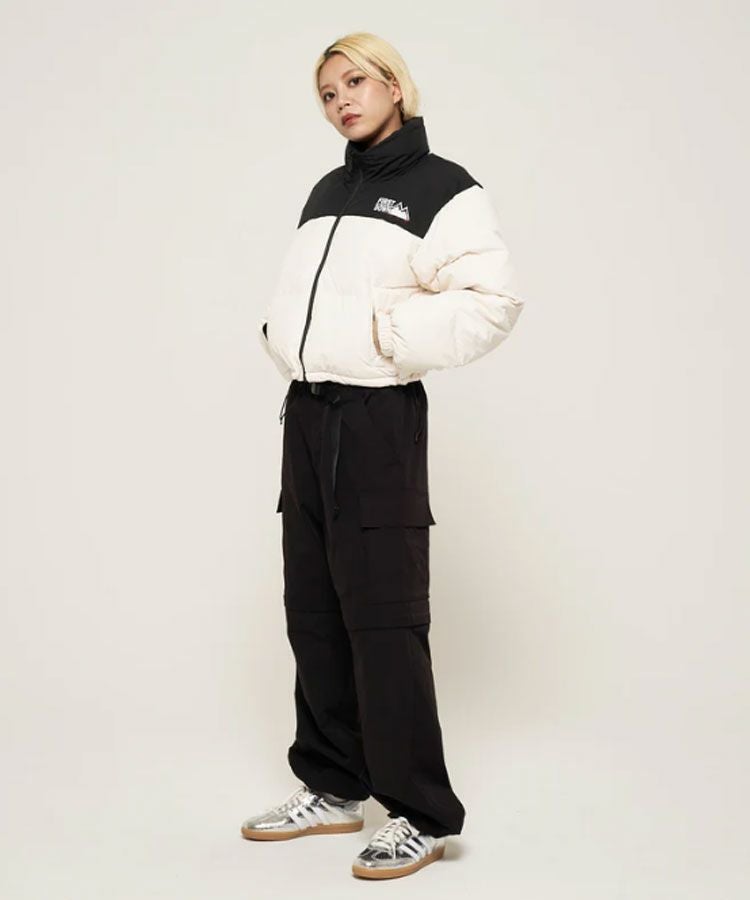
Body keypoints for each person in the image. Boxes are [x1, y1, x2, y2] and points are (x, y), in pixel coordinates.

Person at [242, 31, 525, 880]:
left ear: (394, 85)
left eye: (355, 82)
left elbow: (494, 301)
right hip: (307, 416)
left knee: (384, 619)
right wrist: (280, 339)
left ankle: (423, 814)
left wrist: (385, 337)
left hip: (376, 421)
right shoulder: (327, 190)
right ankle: (334, 786)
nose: (342, 101)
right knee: (313, 609)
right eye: (328, 92)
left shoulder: (446, 188)